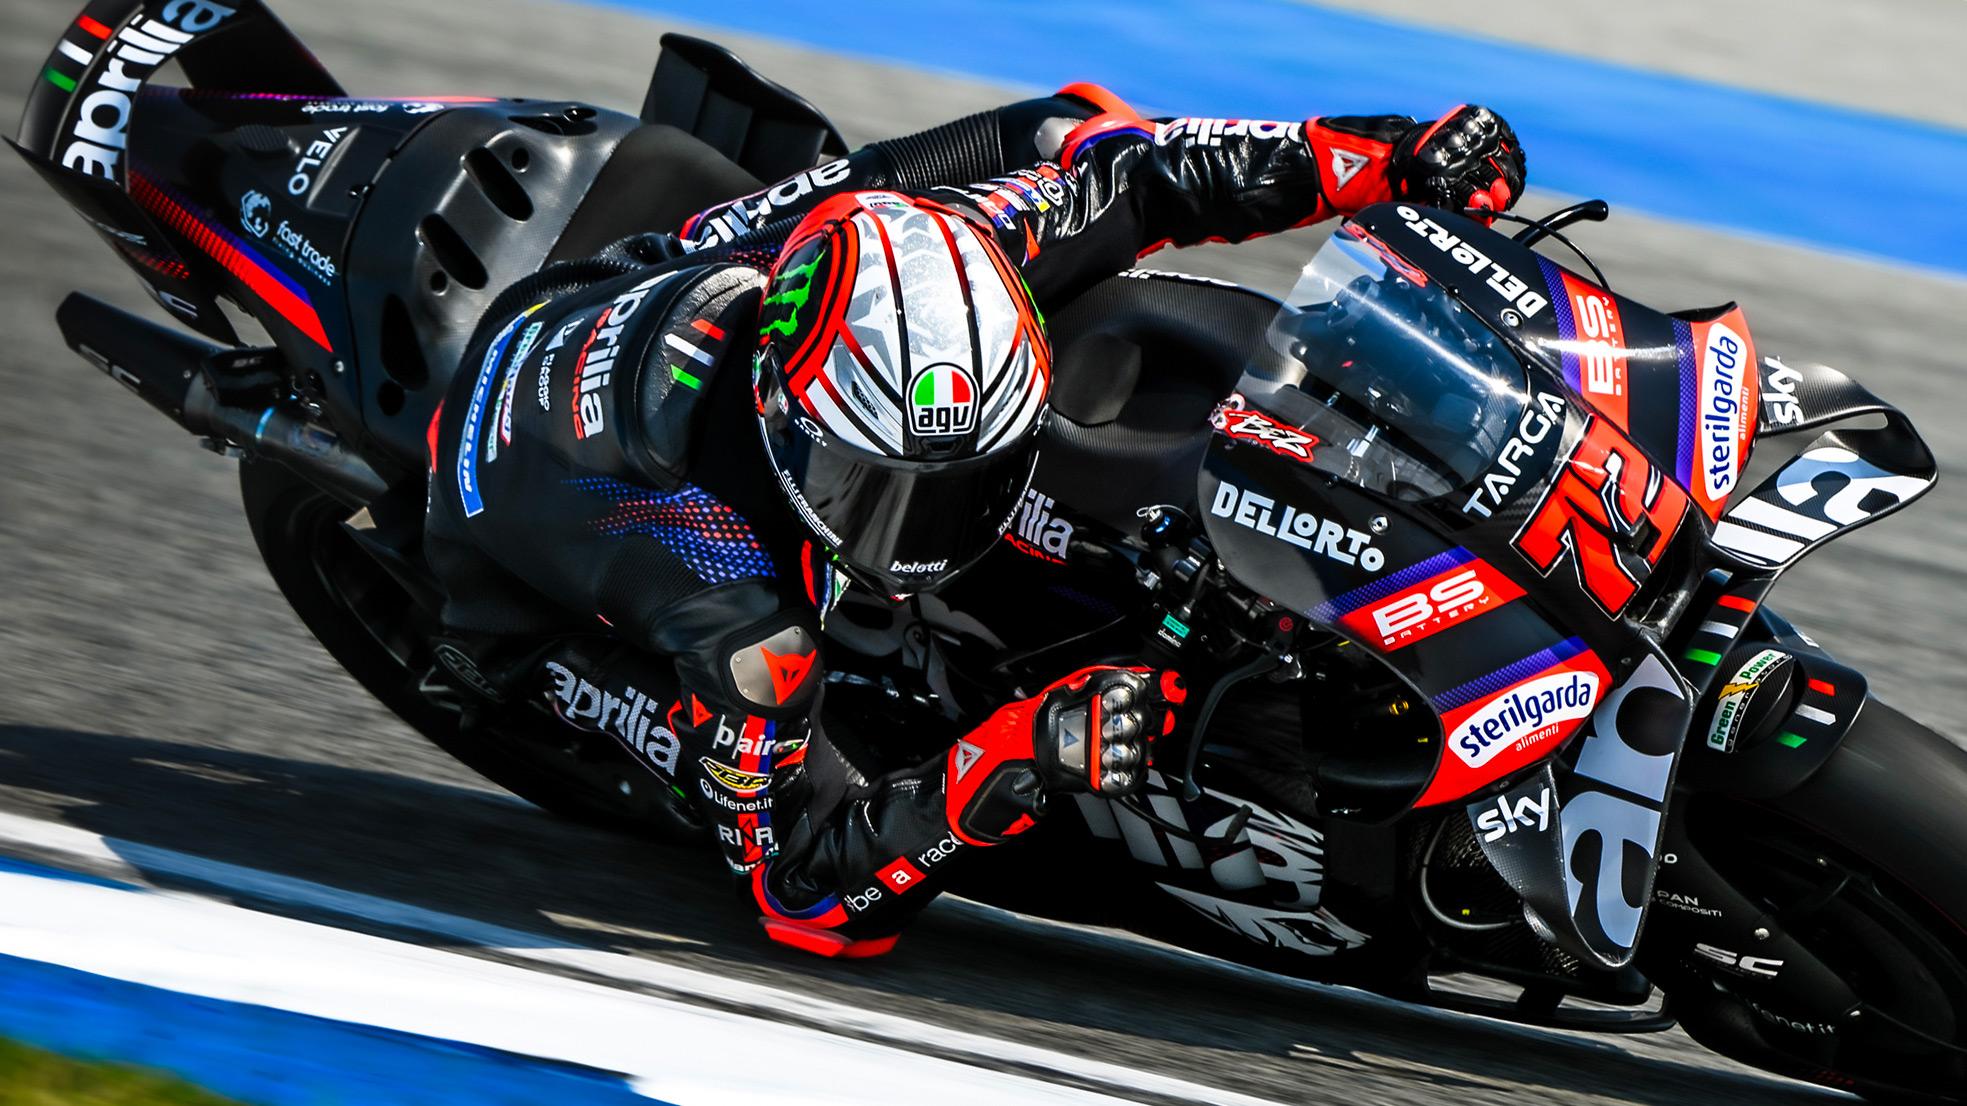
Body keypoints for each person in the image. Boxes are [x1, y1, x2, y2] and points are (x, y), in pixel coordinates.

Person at [423, 86, 1527, 956]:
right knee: (834, 740)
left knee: (1070, 131)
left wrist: (1387, 159)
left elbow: (1147, 173)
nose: (923, 533)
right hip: (522, 586)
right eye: (880, 490)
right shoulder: (725, 589)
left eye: (956, 482)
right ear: (787, 420)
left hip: (690, 267)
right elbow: (802, 895)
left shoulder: (971, 245)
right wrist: (1018, 752)